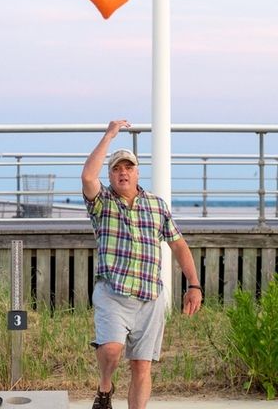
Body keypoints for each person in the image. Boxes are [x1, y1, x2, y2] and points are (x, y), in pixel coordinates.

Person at [82, 120, 203, 409]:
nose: (123, 172)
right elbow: (88, 176)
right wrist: (110, 135)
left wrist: (194, 284)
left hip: (150, 296)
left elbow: (178, 245)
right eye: (116, 168)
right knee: (111, 350)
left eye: (128, 167)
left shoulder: (157, 205)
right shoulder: (102, 202)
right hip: (113, 292)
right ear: (110, 175)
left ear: (137, 172)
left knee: (142, 366)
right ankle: (105, 387)